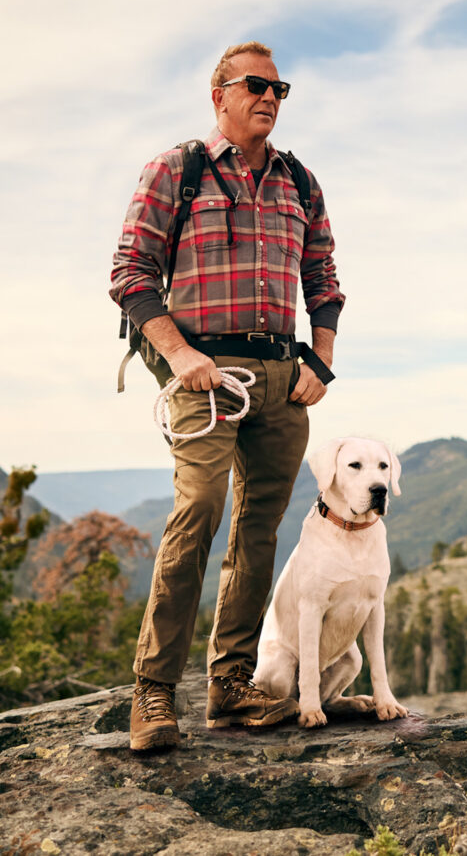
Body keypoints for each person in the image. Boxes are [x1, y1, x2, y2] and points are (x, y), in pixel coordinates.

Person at [109, 41, 343, 751]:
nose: (270, 96)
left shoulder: (299, 182)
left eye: (280, 87)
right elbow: (129, 272)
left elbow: (324, 279)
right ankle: (152, 692)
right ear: (220, 96)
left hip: (281, 377)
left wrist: (320, 365)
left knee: (260, 527)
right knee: (201, 507)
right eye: (256, 85)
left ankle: (230, 685)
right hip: (203, 374)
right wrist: (180, 356)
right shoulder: (175, 171)